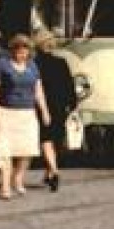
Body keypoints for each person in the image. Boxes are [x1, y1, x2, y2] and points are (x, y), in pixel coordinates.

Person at [0, 35, 51, 200]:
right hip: (6, 112)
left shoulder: (32, 66)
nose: (22, 55)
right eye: (19, 52)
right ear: (13, 51)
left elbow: (38, 90)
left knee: (27, 150)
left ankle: (17, 178)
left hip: (27, 113)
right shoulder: (1, 65)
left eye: (25, 52)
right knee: (4, 151)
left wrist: (44, 111)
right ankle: (4, 186)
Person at [34, 31, 75, 191]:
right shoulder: (61, 62)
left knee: (45, 139)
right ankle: (49, 172)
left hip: (42, 105)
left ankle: (53, 170)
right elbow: (69, 86)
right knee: (56, 139)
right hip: (60, 106)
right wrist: (71, 105)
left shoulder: (34, 64)